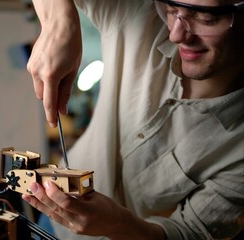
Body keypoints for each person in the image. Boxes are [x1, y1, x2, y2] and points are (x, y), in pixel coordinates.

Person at [24, 0, 244, 239]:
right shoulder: (141, 14)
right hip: (50, 222)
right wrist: (59, 23)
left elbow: (190, 233)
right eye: (171, 10)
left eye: (206, 18)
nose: (176, 34)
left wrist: (118, 225)